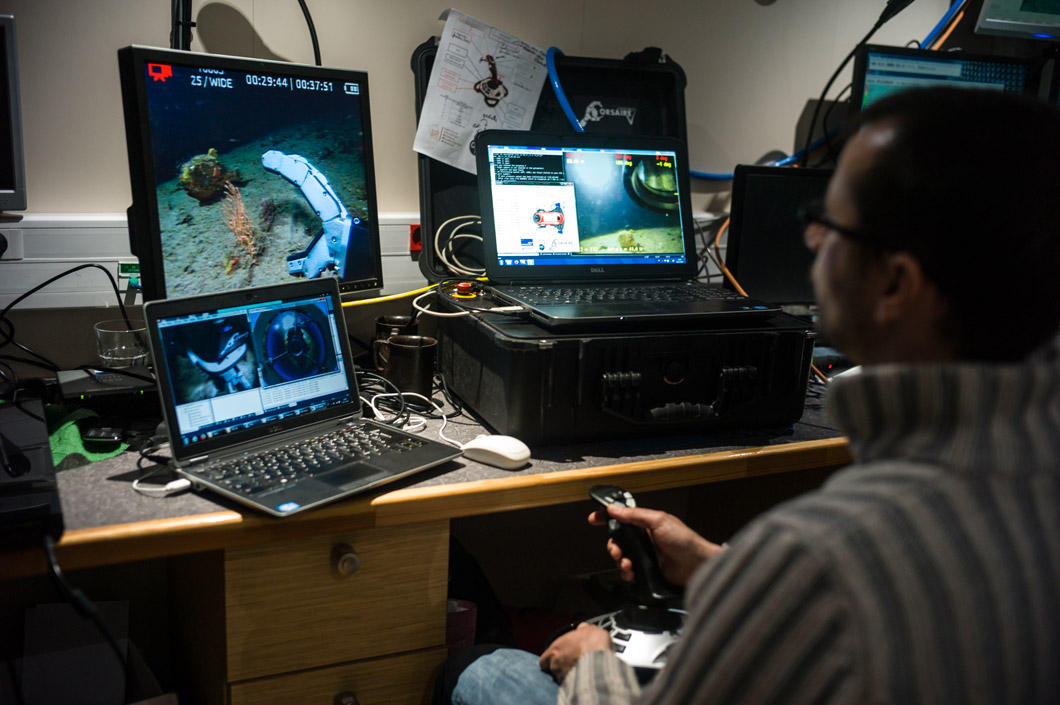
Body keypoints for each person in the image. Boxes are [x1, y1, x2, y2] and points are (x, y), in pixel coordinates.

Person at [446, 86, 1060, 705]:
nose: (814, 243)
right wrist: (723, 568)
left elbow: (820, 586)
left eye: (827, 223)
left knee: (480, 670)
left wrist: (592, 666)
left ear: (896, 284)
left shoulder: (817, 553)